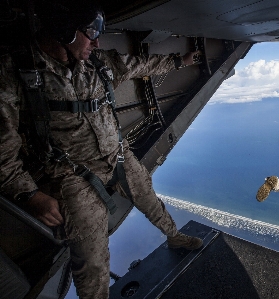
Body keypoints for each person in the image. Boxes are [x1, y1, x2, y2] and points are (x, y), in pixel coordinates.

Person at [0, 1, 202, 298]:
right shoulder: (16, 73)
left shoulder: (98, 63)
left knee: (149, 198)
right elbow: (3, 150)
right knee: (91, 258)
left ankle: (174, 237)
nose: (97, 42)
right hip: (70, 175)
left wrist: (179, 62)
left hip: (117, 154)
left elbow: (139, 65)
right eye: (91, 33)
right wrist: (30, 194)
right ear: (64, 32)